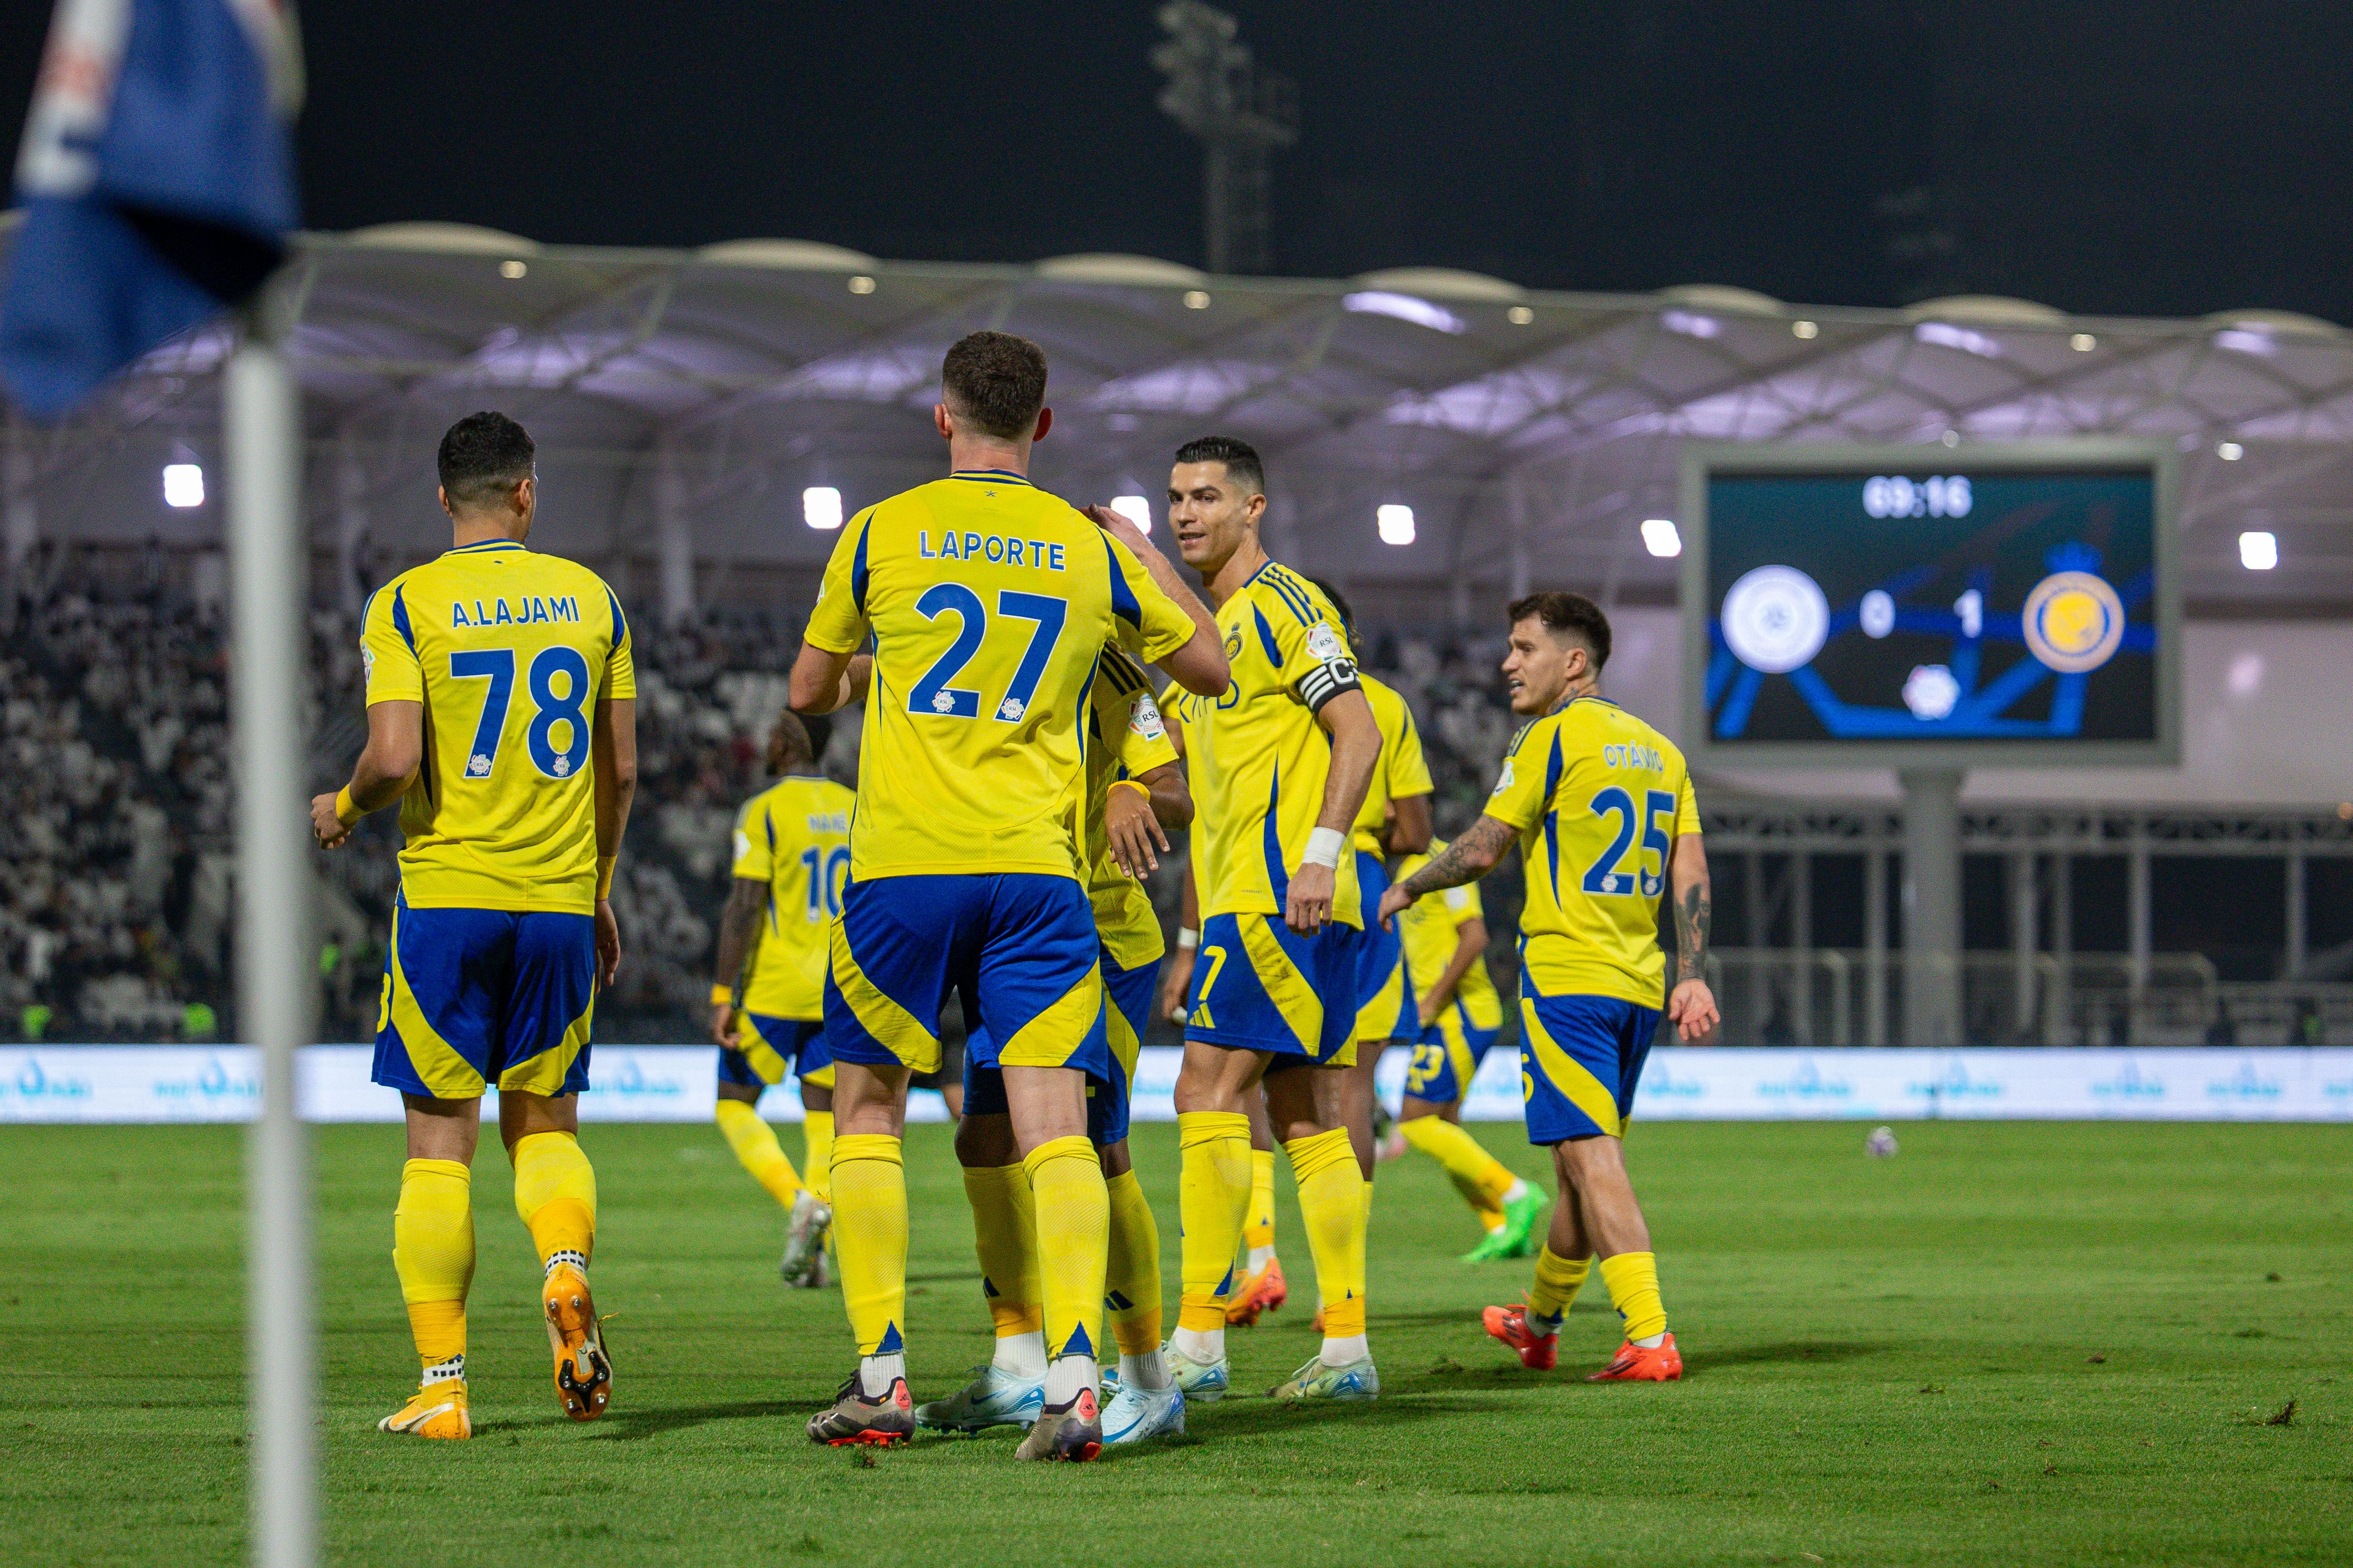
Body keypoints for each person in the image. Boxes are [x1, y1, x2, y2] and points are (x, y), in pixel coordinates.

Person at [788, 331, 1227, 1459]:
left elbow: (808, 692)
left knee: (869, 1107)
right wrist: (1139, 546)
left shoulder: (881, 529)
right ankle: (1075, 1382)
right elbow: (1211, 667)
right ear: (1044, 425)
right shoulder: (1094, 549)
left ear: (942, 416)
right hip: (1037, 872)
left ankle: (883, 1374)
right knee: (1056, 1128)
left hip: (901, 868)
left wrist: (862, 665)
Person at [313, 411, 636, 1440]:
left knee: (437, 1143)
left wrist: (344, 806)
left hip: (450, 898)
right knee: (545, 1122)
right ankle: (565, 1271)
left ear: (443, 498)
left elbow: (395, 757)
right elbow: (620, 769)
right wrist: (596, 884)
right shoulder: (593, 599)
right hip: (554, 900)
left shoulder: (406, 603)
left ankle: (445, 1386)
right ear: (527, 494)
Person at [1379, 591, 1718, 1383]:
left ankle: (1649, 1334)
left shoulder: (1549, 739)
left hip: (1567, 979)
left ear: (1574, 662)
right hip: (1638, 982)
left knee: (1589, 1155)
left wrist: (1411, 886)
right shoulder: (1662, 752)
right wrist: (1692, 975)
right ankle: (1538, 1323)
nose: (1507, 662)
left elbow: (1487, 845)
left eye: (1524, 647)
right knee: (1576, 1164)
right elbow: (1690, 868)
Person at [1154, 435, 1384, 1403]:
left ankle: (1199, 1343)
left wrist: (1318, 858)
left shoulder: (1288, 605)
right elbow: (1203, 799)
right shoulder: (1210, 647)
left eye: (1206, 496)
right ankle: (1345, 1350)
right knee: (1303, 1117)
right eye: (1173, 499)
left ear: (1254, 508)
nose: (1185, 513)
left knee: (1203, 1095)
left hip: (1281, 901)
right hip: (1254, 908)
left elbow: (1358, 729)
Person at [921, 642, 1194, 1445]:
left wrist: (1122, 786)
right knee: (985, 1139)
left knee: (1095, 1150)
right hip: (1008, 935)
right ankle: (1017, 1362)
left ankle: (1149, 1378)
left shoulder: (1106, 667)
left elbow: (1173, 786)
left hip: (1099, 938)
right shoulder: (988, 658)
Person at [708, 711, 851, 1286]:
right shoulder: (854, 805)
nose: (763, 738)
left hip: (774, 987)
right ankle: (814, 1248)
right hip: (839, 985)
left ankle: (798, 1200)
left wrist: (723, 991)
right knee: (824, 1119)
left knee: (733, 1103)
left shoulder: (764, 810)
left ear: (788, 741)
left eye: (772, 730)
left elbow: (745, 904)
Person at [1386, 836, 1544, 1260]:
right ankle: (1502, 1230)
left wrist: (1434, 998)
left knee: (1418, 1123)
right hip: (1439, 1015)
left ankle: (1517, 1192)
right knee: (1447, 1131)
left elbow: (1474, 937)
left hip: (1462, 1012)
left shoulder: (1445, 860)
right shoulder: (1406, 871)